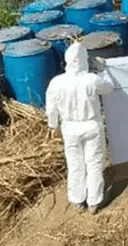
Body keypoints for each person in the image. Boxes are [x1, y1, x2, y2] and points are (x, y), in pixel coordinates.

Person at [45, 42, 114, 213]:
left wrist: (53, 125)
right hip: (91, 125)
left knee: (75, 163)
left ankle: (77, 200)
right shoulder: (92, 79)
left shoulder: (56, 82)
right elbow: (109, 88)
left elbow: (51, 108)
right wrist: (103, 70)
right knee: (94, 162)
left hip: (69, 128)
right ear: (84, 60)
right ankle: (94, 201)